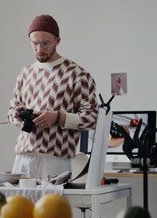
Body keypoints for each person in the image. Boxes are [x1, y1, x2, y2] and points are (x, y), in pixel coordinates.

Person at [7, 14, 98, 180]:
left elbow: (92, 118)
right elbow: (11, 111)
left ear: (58, 40)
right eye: (34, 43)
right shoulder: (25, 73)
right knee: (18, 206)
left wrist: (58, 117)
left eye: (45, 43)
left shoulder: (77, 75)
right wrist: (17, 115)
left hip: (57, 160)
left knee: (53, 207)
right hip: (23, 158)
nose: (39, 49)